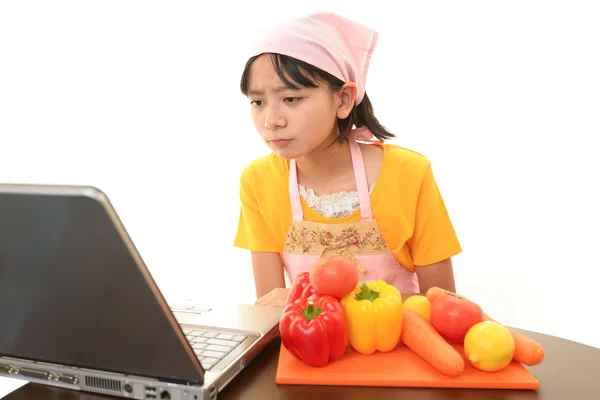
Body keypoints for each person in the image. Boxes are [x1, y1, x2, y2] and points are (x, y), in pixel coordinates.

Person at [233, 12, 462, 307]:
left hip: (398, 347)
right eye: (257, 102)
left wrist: (317, 301)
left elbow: (443, 302)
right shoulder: (257, 180)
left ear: (343, 99)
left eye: (291, 98)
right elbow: (269, 308)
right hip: (313, 349)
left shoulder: (409, 173)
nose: (271, 120)